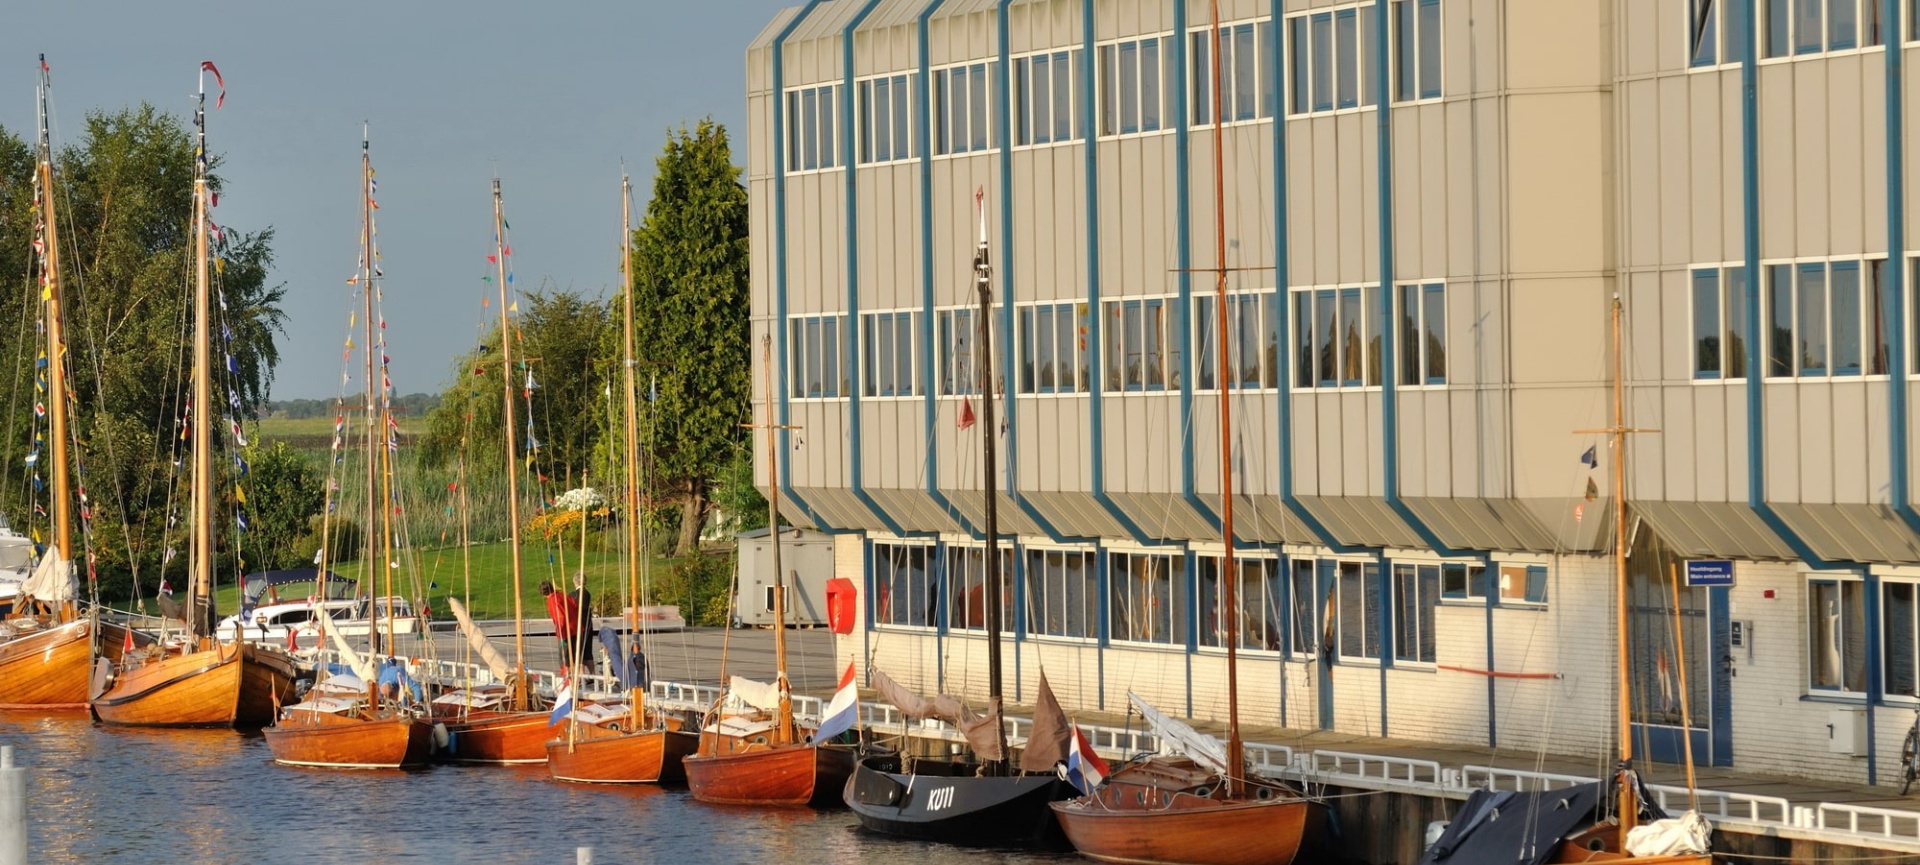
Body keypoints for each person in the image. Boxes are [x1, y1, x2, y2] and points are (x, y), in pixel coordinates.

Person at [541, 580, 582, 674]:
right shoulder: (562, 595)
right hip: (575, 628)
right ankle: (574, 675)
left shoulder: (552, 600)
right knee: (574, 654)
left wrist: (561, 633)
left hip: (565, 631)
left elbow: (560, 617)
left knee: (564, 656)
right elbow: (575, 606)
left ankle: (568, 677)